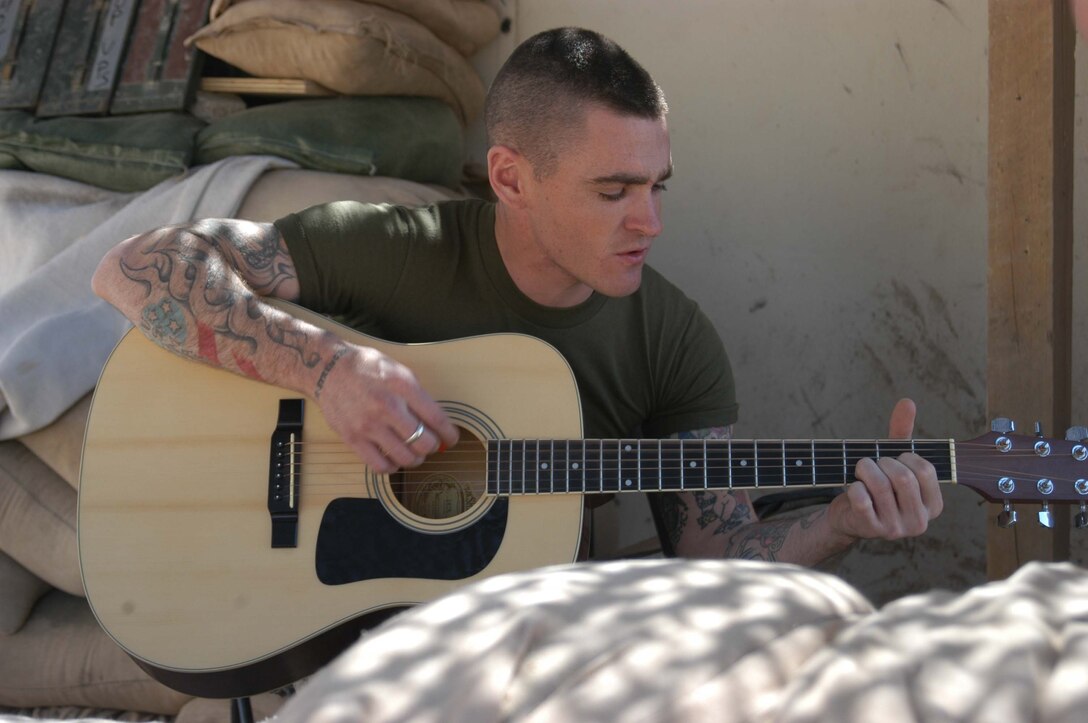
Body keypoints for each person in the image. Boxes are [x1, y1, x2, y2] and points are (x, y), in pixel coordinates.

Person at [92, 27, 942, 565]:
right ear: (512, 178)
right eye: (614, 192)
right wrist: (329, 370)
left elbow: (714, 548)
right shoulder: (397, 249)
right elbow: (132, 266)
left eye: (658, 187)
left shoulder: (672, 337)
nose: (649, 221)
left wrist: (842, 524)